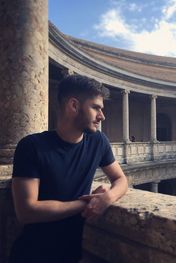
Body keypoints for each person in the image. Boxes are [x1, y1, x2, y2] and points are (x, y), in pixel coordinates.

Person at [10, 74, 128, 263]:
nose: (102, 116)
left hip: (72, 254)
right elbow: (26, 211)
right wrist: (87, 204)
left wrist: (108, 197)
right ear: (73, 105)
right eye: (95, 107)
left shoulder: (98, 141)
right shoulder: (32, 146)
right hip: (32, 254)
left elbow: (121, 179)